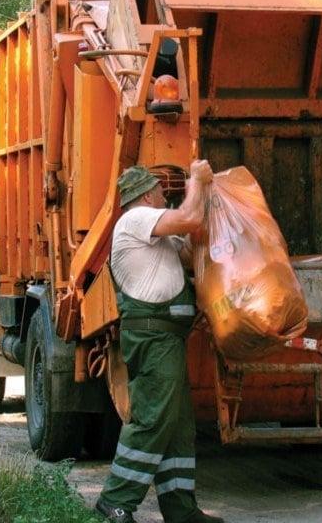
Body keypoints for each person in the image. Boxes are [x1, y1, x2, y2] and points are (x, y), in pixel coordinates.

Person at [96, 160, 223, 523]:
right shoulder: (134, 220)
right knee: (152, 420)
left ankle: (181, 510)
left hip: (166, 338)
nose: (165, 194)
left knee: (179, 426)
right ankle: (114, 503)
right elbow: (190, 220)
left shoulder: (155, 233)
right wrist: (197, 181)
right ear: (147, 194)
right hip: (153, 339)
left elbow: (189, 247)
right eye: (160, 190)